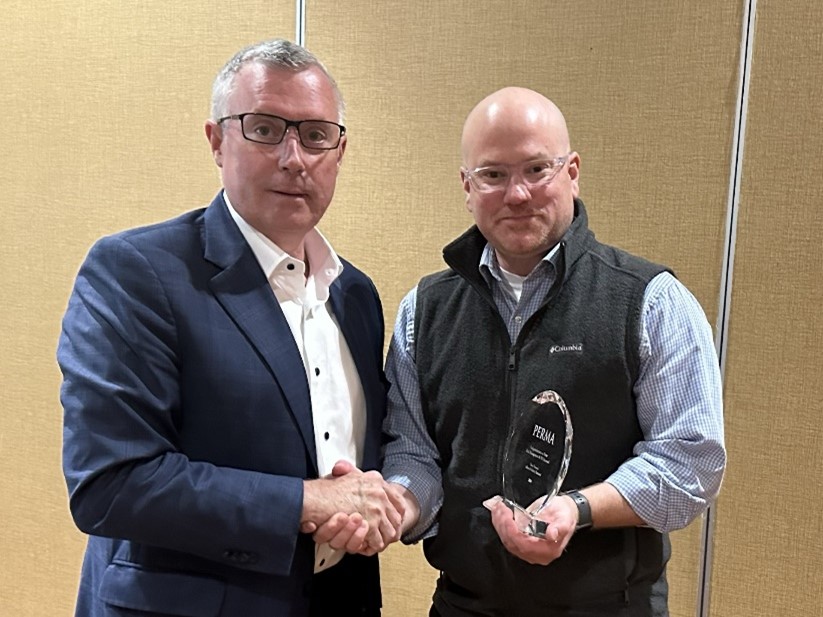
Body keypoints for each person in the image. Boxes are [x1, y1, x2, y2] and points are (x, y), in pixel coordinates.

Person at [313, 87, 726, 616]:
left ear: (572, 172)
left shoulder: (649, 301)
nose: (518, 193)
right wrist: (396, 507)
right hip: (464, 605)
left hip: (609, 605)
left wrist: (577, 510)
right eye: (493, 174)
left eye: (537, 169)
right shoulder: (425, 310)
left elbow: (691, 462)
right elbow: (416, 454)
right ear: (467, 186)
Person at [57, 38, 403, 617]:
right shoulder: (137, 271)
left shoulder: (355, 294)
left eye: (316, 134)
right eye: (265, 128)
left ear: (339, 151)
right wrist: (305, 502)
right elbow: (110, 484)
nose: (295, 157)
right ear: (218, 141)